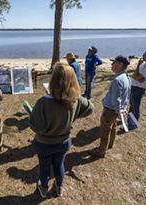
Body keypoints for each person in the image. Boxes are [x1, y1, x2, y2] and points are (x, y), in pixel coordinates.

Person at [29, 62, 94, 198]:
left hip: (44, 143)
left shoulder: (43, 102)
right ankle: (59, 187)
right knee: (59, 166)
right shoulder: (75, 100)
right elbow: (90, 108)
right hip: (64, 142)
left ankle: (43, 188)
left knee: (44, 167)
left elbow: (35, 126)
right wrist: (74, 115)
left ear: (53, 80)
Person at [89, 55, 131, 158]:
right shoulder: (127, 77)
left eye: (114, 62)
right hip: (117, 109)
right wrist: (123, 108)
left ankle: (101, 151)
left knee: (104, 131)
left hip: (111, 110)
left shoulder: (118, 80)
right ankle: (110, 145)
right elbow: (127, 95)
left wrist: (117, 111)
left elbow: (116, 99)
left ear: (120, 65)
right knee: (113, 127)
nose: (112, 65)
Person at [128, 48, 146, 130]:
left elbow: (136, 77)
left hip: (139, 89)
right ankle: (129, 120)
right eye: (144, 53)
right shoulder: (144, 64)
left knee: (135, 108)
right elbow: (135, 76)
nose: (144, 55)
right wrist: (137, 73)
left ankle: (133, 125)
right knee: (131, 106)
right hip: (134, 87)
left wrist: (137, 66)